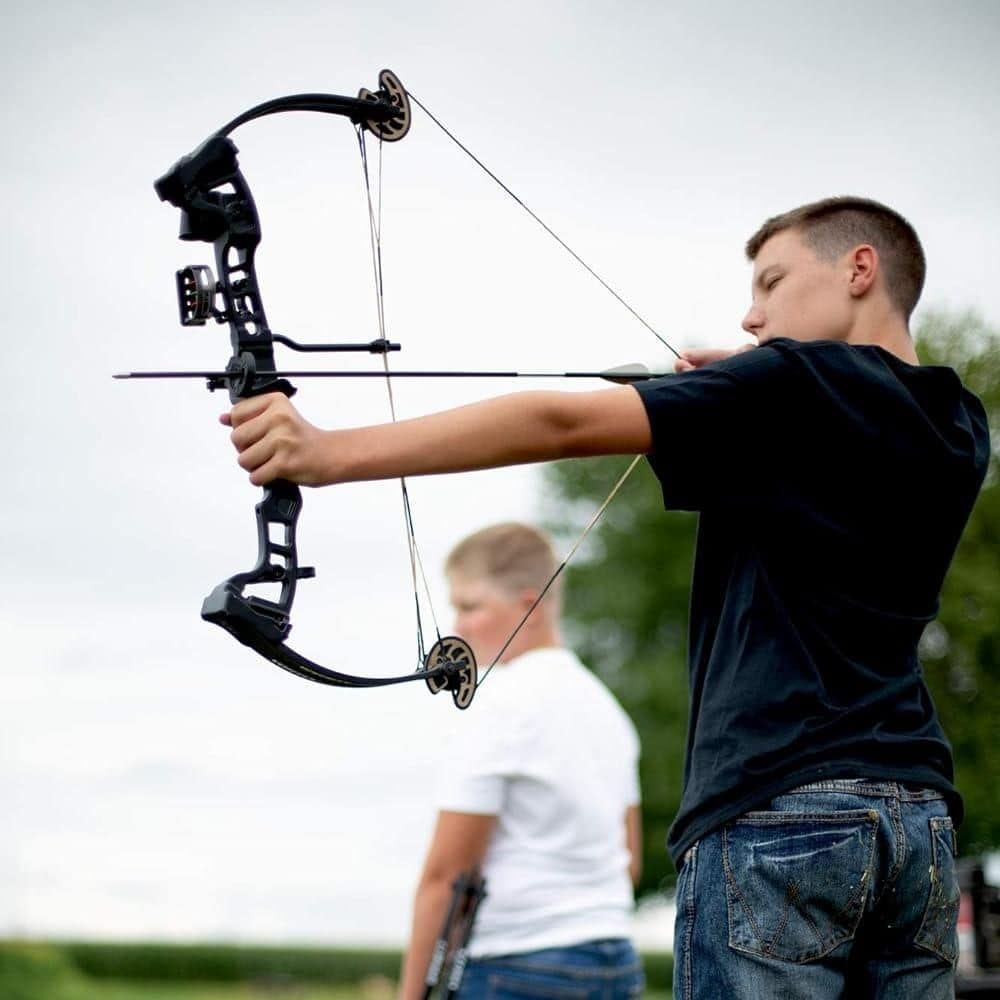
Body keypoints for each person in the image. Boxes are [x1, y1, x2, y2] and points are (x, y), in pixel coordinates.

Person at [221, 196, 990, 999]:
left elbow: (560, 424)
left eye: (772, 282)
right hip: (918, 822)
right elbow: (836, 448)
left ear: (858, 269)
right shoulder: (960, 423)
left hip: (778, 809)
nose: (753, 314)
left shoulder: (796, 384)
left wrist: (324, 453)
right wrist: (747, 387)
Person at [396, 521, 644, 999]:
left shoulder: (499, 703)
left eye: (470, 606)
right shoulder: (607, 708)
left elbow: (447, 876)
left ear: (528, 607)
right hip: (615, 963)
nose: (458, 627)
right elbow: (628, 861)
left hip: (518, 967)